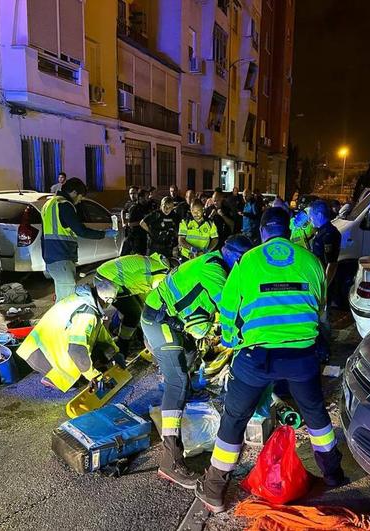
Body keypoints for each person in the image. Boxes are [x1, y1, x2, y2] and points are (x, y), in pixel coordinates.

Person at [195, 208, 346, 512]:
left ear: (263, 232)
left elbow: (227, 308)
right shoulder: (311, 261)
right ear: (288, 231)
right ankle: (332, 473)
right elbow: (320, 311)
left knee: (235, 417)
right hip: (301, 355)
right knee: (316, 415)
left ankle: (214, 489)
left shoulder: (248, 261)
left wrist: (230, 339)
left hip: (256, 357)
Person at [141, 235, 253, 488]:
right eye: (242, 262)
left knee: (190, 360)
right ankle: (170, 460)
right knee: (178, 381)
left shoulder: (216, 262)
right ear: (232, 256)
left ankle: (179, 397)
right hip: (160, 320)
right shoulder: (215, 271)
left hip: (175, 319)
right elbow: (231, 311)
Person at [16, 280, 121, 392]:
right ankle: (54, 378)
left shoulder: (83, 299)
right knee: (74, 375)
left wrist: (115, 352)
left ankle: (62, 373)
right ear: (107, 300)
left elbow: (99, 332)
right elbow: (76, 350)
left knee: (99, 350)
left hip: (38, 347)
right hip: (42, 355)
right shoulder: (87, 315)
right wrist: (94, 376)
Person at [41, 177, 117, 301]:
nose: (80, 200)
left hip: (52, 258)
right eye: (80, 196)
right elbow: (81, 231)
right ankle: (64, 321)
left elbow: (44, 236)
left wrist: (46, 259)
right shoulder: (65, 205)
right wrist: (104, 234)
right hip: (62, 257)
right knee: (67, 300)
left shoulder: (49, 204)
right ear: (74, 192)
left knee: (62, 296)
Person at [95, 253, 172, 356]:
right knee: (134, 314)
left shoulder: (159, 267)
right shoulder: (160, 281)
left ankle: (127, 337)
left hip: (110, 275)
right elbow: (151, 305)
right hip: (108, 281)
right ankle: (122, 348)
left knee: (138, 312)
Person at [309, 200, 340, 287]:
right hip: (318, 276)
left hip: (325, 281)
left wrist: (324, 287)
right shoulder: (321, 231)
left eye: (311, 216)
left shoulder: (329, 234)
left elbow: (332, 263)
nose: (310, 219)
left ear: (319, 215)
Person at [121, 188, 150, 255]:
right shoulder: (134, 208)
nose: (148, 198)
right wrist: (142, 222)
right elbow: (130, 223)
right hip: (135, 237)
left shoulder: (145, 207)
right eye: (146, 197)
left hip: (143, 236)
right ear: (140, 198)